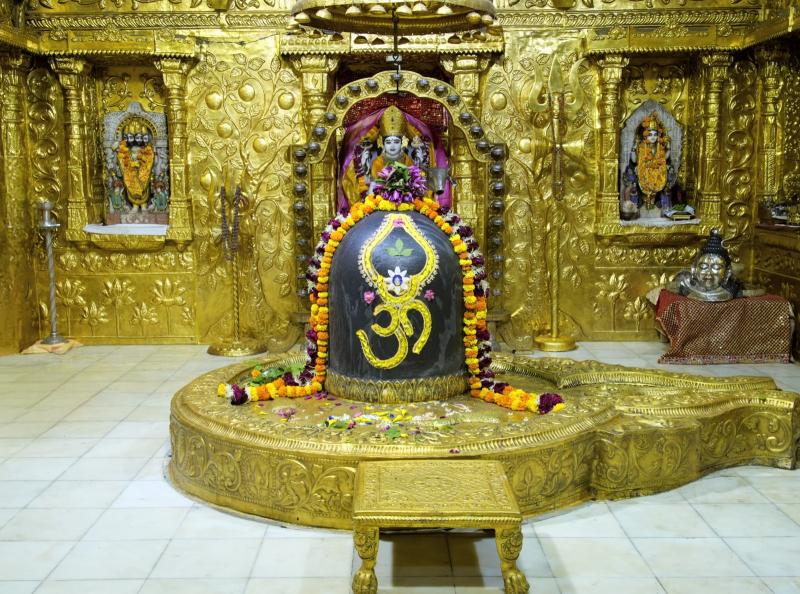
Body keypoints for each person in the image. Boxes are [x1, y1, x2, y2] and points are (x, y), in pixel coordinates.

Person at [621, 112, 676, 213]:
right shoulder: (642, 146)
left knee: (667, 179)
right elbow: (634, 160)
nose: (653, 137)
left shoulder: (659, 147)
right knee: (634, 182)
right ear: (645, 135)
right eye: (650, 135)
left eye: (655, 135)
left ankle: (663, 206)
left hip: (658, 171)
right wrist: (634, 148)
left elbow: (664, 158)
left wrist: (668, 148)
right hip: (644, 170)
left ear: (658, 135)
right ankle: (633, 208)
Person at [674, 229, 742, 302]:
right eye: (703, 267)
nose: (709, 273)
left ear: (727, 272)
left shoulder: (733, 292)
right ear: (694, 269)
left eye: (716, 267)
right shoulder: (685, 288)